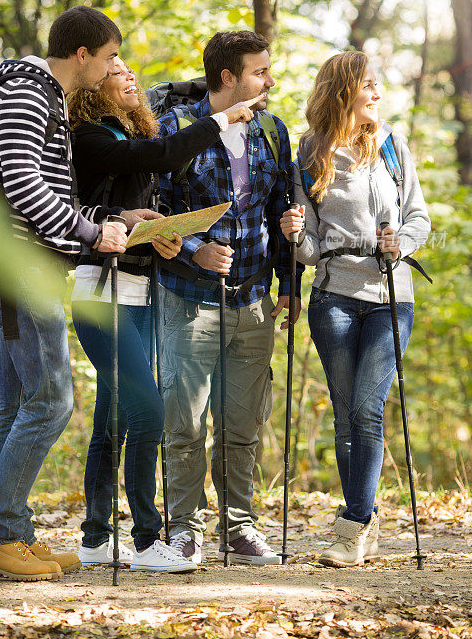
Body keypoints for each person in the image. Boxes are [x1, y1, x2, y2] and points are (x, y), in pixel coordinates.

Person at [0, 6, 139, 582]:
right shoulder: (26, 89)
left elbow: (53, 199)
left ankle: (9, 534)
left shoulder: (45, 97)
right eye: (112, 54)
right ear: (83, 53)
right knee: (52, 401)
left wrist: (106, 221)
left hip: (24, 265)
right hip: (21, 270)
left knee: (14, 403)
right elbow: (20, 182)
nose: (116, 65)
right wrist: (93, 232)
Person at [69, 58, 257, 572]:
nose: (130, 79)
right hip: (100, 295)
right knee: (147, 411)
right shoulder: (91, 136)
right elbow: (161, 151)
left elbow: (135, 207)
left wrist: (164, 238)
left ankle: (95, 536)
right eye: (117, 73)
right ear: (94, 88)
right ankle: (150, 539)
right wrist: (222, 117)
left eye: (132, 72)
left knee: (113, 416)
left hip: (139, 291)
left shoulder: (130, 135)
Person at [280, 50, 430, 567]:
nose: (378, 94)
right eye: (369, 85)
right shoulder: (308, 152)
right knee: (346, 417)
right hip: (333, 296)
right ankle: (361, 519)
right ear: (344, 89)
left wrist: (400, 243)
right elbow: (310, 246)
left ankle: (353, 525)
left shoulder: (391, 144)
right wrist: (295, 236)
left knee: (368, 408)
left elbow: (419, 217)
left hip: (391, 296)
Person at [158, 30, 302, 565]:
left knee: (243, 423)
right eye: (260, 72)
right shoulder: (176, 129)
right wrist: (193, 249)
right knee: (186, 423)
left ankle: (239, 528)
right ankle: (183, 530)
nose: (270, 80)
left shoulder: (272, 130)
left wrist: (289, 285)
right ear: (228, 78)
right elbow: (156, 208)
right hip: (188, 299)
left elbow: (280, 212)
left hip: (254, 302)